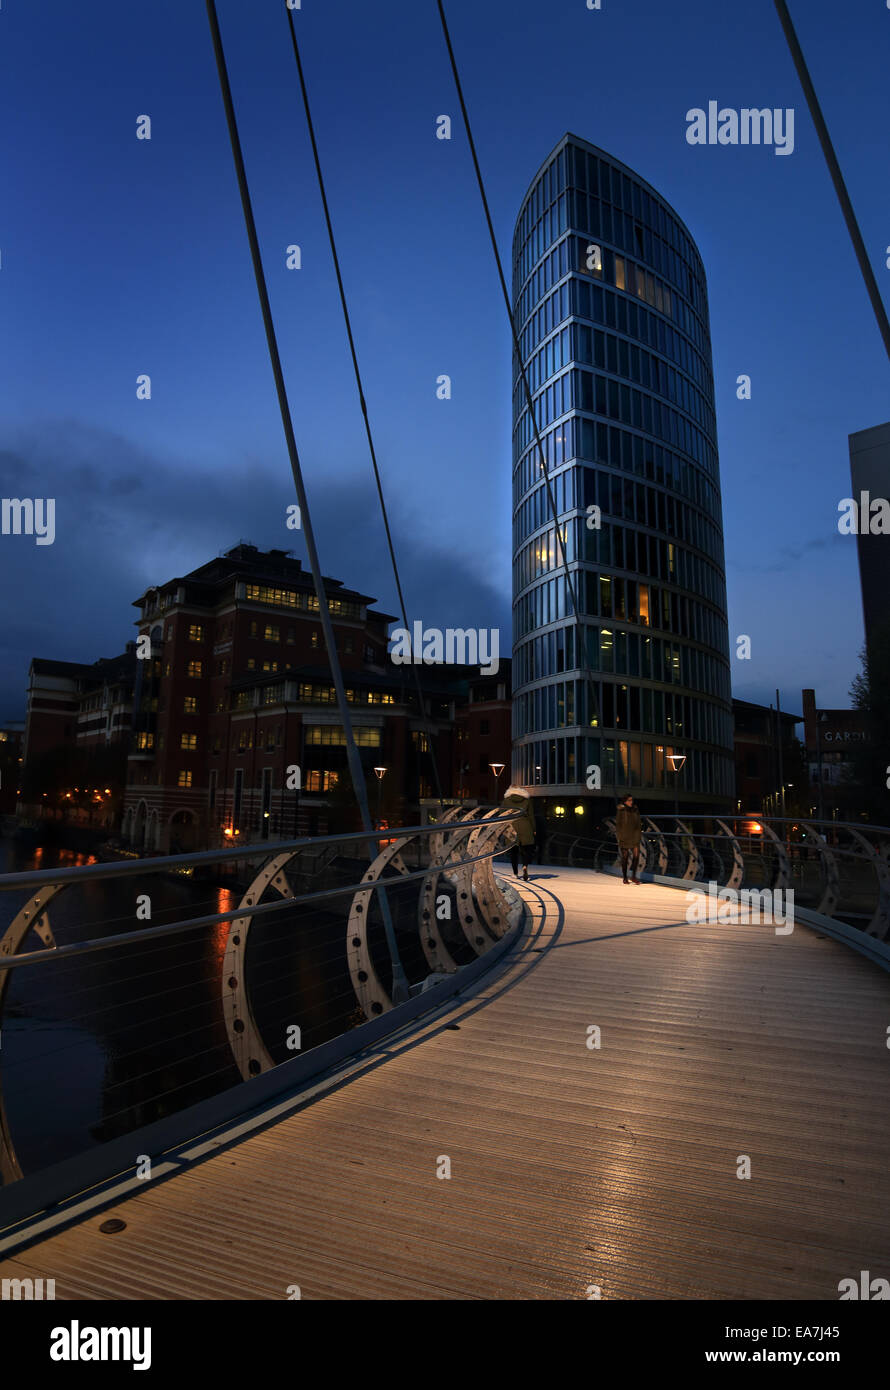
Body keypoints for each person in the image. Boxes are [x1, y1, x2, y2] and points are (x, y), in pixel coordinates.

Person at [500, 784, 536, 881]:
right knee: (526, 850)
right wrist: (534, 829)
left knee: (513, 851)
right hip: (525, 826)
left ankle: (515, 873)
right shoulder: (527, 800)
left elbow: (501, 815)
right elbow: (531, 816)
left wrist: (503, 828)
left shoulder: (506, 800)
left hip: (512, 826)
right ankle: (525, 866)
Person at [615, 793, 642, 884]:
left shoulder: (635, 809)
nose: (631, 802)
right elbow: (618, 824)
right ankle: (625, 877)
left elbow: (638, 823)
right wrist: (620, 836)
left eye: (632, 800)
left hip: (634, 836)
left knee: (636, 856)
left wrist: (639, 835)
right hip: (624, 836)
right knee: (625, 857)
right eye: (629, 800)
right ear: (625, 801)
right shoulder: (621, 810)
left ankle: (633, 876)